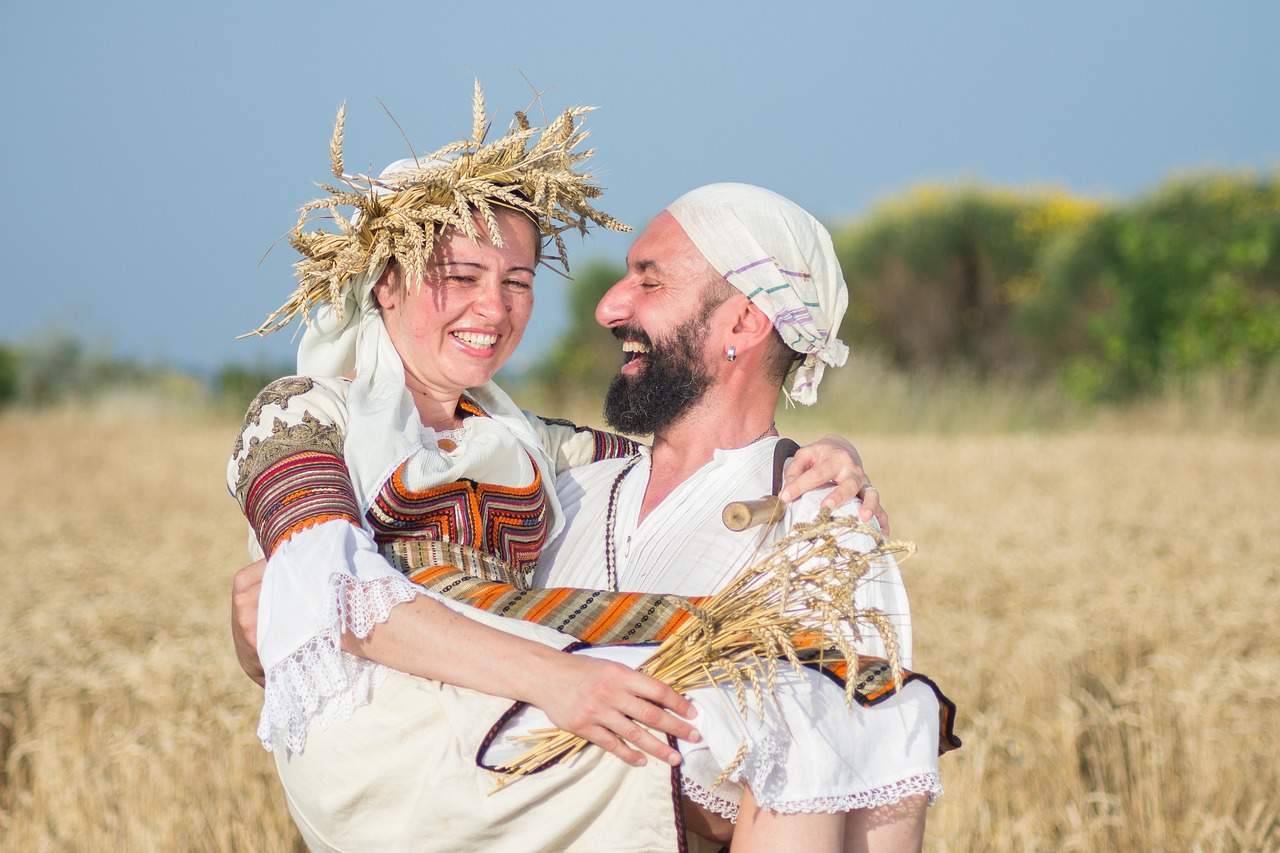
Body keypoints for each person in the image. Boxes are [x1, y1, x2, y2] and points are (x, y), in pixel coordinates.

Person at [229, 92, 936, 852]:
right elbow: (327, 593)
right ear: (387, 283)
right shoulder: (301, 412)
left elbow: (692, 456)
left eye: (518, 281)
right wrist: (559, 681)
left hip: (489, 718)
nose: (493, 309)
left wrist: (822, 458)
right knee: (809, 720)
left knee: (833, 711)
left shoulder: (528, 444)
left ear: (746, 321)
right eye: (458, 276)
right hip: (396, 752)